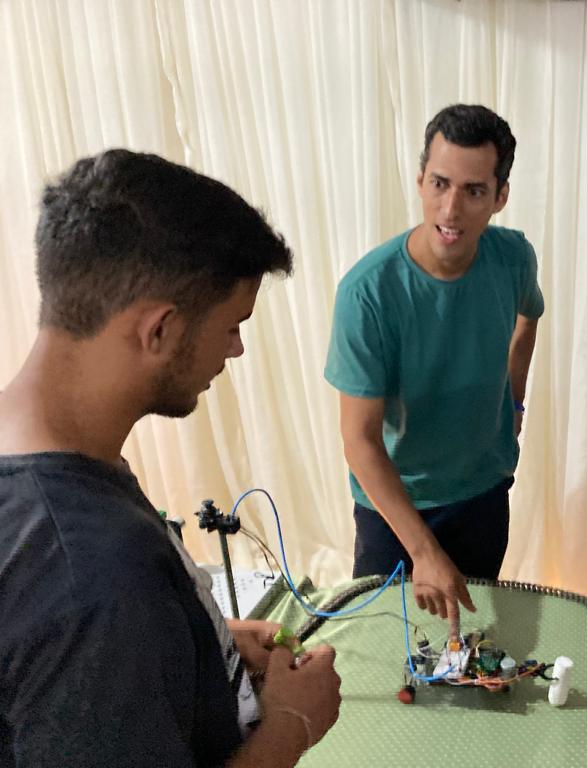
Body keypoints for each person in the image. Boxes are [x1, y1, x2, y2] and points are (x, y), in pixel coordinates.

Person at [0, 150, 341, 767]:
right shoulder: (94, 578)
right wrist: (293, 723)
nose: (236, 350)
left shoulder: (40, 460)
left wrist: (199, 639)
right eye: (232, 326)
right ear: (158, 331)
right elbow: (84, 629)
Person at [325, 104, 544, 634]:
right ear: (420, 178)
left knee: (468, 642)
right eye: (440, 184)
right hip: (395, 507)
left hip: (483, 491)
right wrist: (423, 551)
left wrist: (515, 401)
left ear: (500, 196)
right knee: (384, 644)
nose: (451, 209)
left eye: (473, 191)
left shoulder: (514, 257)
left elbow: (528, 319)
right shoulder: (367, 293)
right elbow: (359, 441)